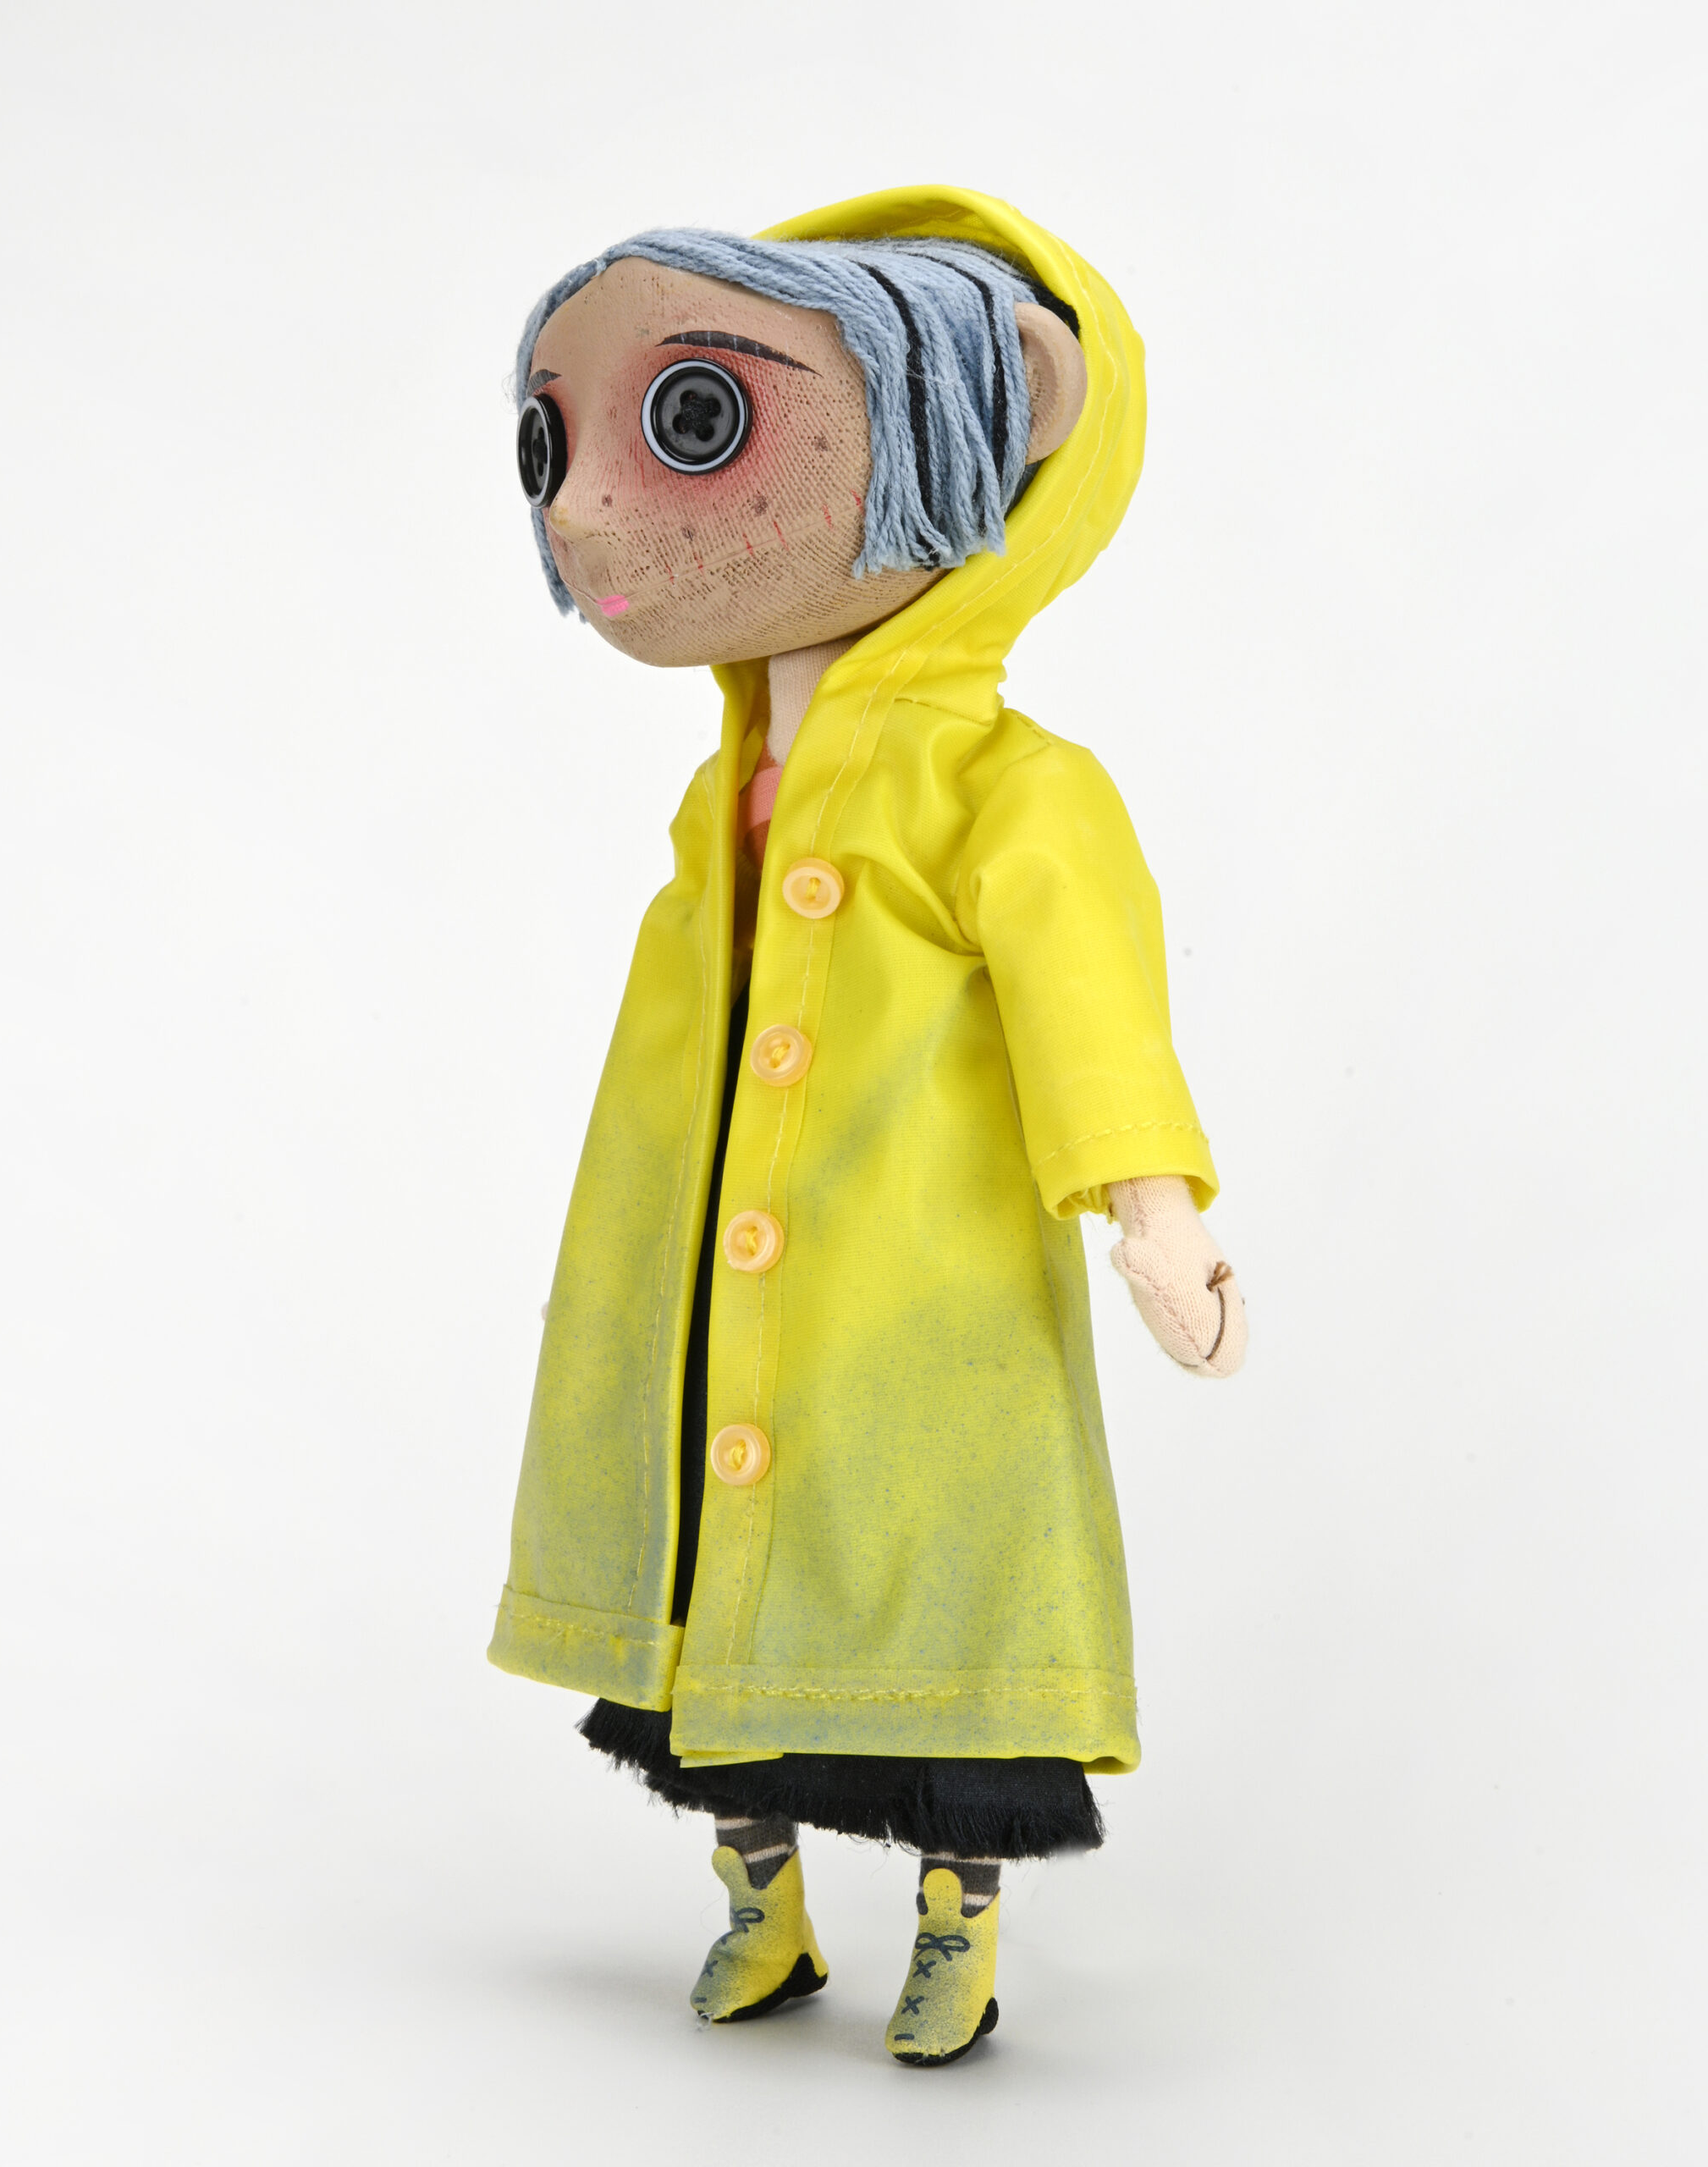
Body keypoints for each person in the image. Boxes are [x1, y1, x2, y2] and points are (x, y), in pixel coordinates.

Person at [488, 186, 1247, 2067]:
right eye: (553, 443)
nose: (585, 510)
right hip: (707, 1293)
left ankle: (955, 1925)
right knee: (700, 1614)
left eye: (694, 421)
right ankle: (761, 1908)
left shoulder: (1010, 787)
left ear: (1004, 415)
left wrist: (1151, 1207)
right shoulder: (725, 792)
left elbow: (1089, 1003)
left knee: (933, 1615)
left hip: (918, 1294)